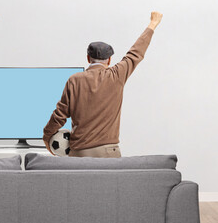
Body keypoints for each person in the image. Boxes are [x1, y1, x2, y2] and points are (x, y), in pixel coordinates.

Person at [43, 11, 163, 158]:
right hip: (109, 153)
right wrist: (152, 24)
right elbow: (135, 53)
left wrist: (47, 138)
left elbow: (59, 115)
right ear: (109, 60)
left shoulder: (74, 80)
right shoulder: (117, 75)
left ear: (88, 58)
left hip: (79, 153)